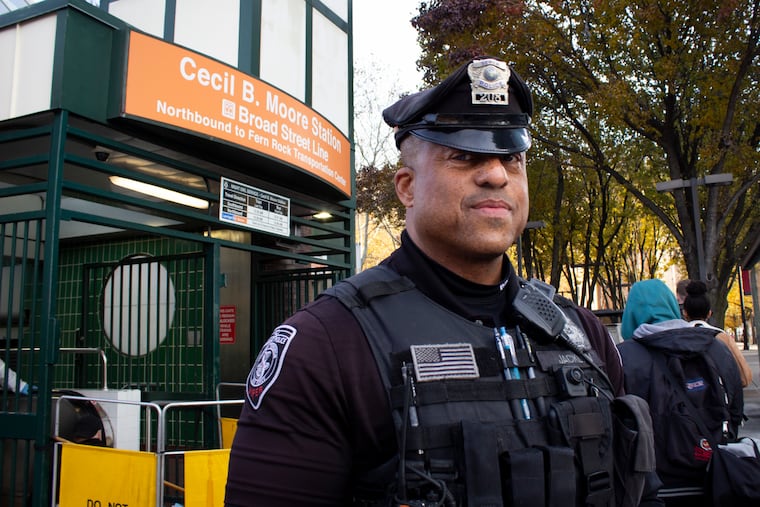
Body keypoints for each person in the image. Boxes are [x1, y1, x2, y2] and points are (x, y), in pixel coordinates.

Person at [225, 56, 660, 506]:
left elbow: (642, 490)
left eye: (511, 158)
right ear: (407, 187)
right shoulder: (326, 345)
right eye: (464, 156)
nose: (496, 174)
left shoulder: (580, 334)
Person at [617, 279, 744, 507]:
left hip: (655, 487)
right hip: (718, 478)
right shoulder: (715, 347)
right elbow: (735, 409)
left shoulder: (624, 358)